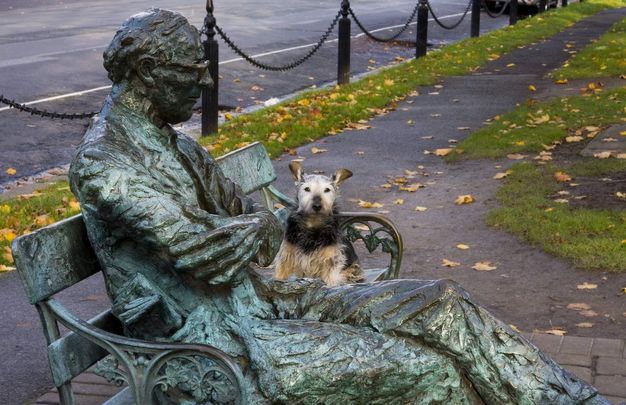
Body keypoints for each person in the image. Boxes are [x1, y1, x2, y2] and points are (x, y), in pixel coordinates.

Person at [69, 8, 609, 404]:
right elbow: (201, 252)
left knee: (444, 300)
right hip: (209, 344)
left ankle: (573, 399)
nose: (207, 80)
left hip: (267, 296)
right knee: (427, 370)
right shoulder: (105, 162)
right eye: (193, 69)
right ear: (148, 71)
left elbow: (248, 224)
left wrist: (247, 228)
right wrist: (249, 228)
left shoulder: (177, 144)